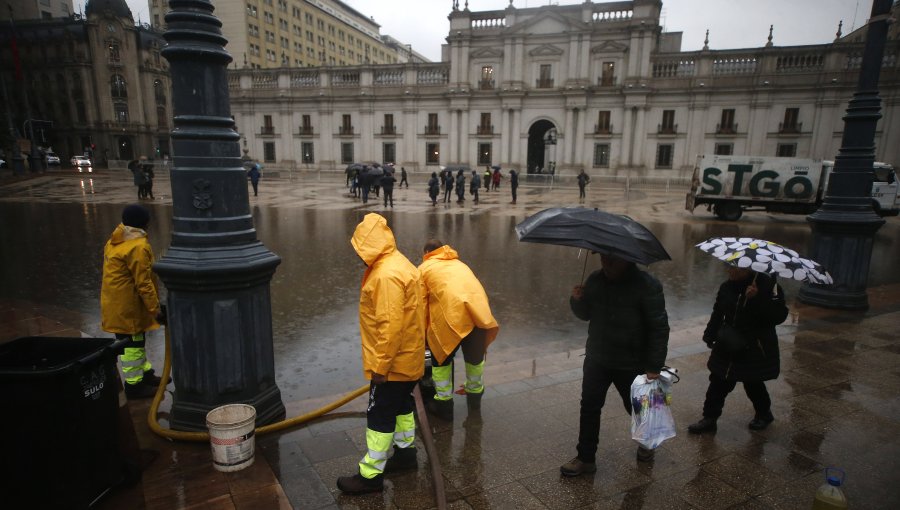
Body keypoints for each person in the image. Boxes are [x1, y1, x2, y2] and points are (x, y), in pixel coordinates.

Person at [338, 213, 425, 495]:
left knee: (379, 414)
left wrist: (380, 367)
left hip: (393, 363)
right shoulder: (399, 263)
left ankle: (370, 476)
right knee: (401, 407)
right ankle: (405, 454)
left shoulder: (385, 275)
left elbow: (390, 327)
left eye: (360, 249)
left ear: (369, 246)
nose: (358, 256)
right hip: (408, 358)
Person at [561, 253, 670, 475]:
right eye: (603, 259)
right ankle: (585, 458)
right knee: (589, 408)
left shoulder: (647, 286)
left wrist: (653, 367)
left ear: (628, 259)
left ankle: (647, 442)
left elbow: (659, 328)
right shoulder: (595, 280)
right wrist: (577, 300)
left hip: (631, 362)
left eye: (612, 260)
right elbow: (585, 314)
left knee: (636, 408)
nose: (606, 264)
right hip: (597, 359)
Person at [687, 267, 788, 434]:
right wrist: (710, 334)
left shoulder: (769, 286)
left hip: (754, 346)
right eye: (729, 266)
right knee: (718, 381)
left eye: (735, 268)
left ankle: (764, 414)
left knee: (753, 382)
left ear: (747, 269)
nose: (729, 270)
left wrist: (756, 299)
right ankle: (709, 419)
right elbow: (718, 312)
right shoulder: (727, 286)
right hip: (728, 343)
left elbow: (778, 316)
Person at [419, 240, 499, 421]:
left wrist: (423, 336)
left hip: (451, 319)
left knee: (441, 361)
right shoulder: (460, 264)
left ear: (427, 252)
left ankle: (444, 406)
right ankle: (474, 401)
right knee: (474, 361)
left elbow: (421, 305)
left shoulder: (424, 268)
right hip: (478, 316)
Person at [101, 204, 166, 400]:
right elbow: (143, 283)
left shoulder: (116, 240)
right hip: (127, 308)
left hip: (117, 304)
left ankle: (145, 373)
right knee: (132, 347)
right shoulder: (138, 246)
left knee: (137, 342)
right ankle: (134, 386)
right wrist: (155, 309)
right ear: (144, 223)